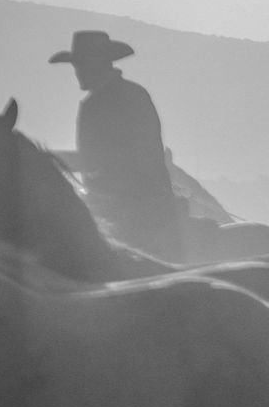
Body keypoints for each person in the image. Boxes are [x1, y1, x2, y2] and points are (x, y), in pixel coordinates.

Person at [49, 30, 183, 259]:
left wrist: (49, 159)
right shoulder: (127, 94)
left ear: (100, 63)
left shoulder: (112, 100)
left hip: (134, 210)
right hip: (129, 204)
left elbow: (102, 159)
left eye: (82, 64)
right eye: (76, 65)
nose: (77, 72)